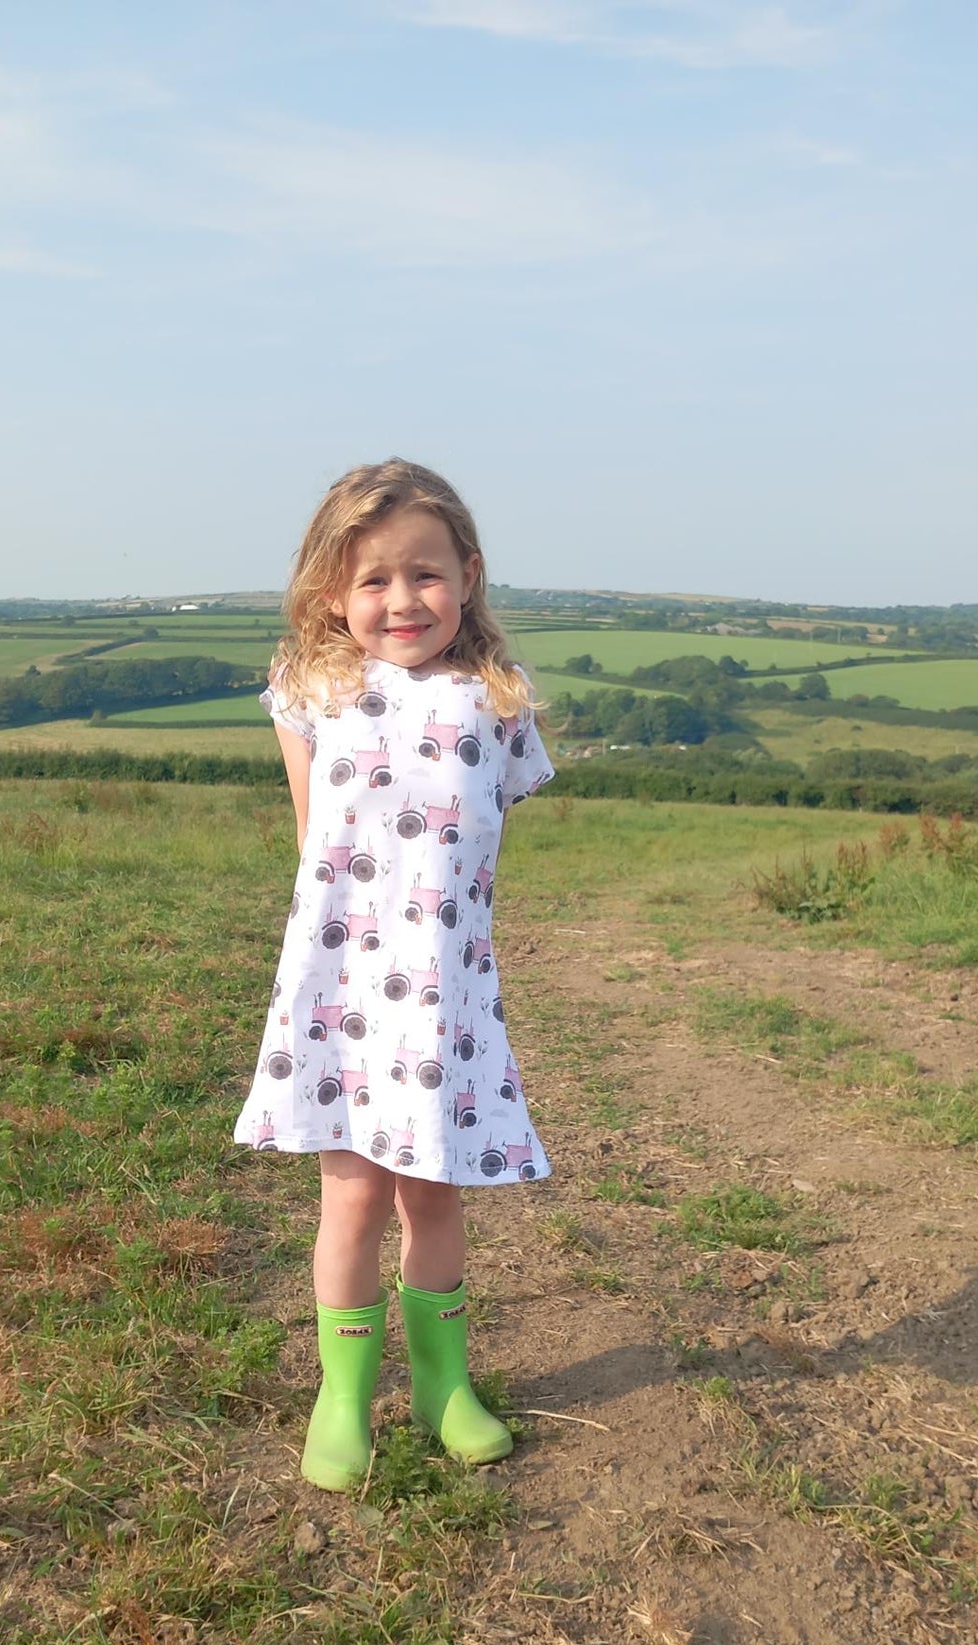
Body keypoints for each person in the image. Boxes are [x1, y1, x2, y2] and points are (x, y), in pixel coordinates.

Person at [234, 459, 555, 1491]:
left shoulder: (494, 701)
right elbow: (309, 838)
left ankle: (441, 1385)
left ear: (466, 574)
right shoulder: (311, 689)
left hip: (440, 997)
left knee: (433, 1195)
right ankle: (341, 1395)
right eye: (370, 579)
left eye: (423, 573)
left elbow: (478, 849)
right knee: (351, 1196)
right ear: (333, 593)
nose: (400, 599)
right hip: (340, 987)